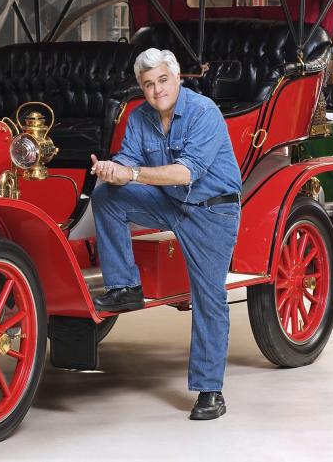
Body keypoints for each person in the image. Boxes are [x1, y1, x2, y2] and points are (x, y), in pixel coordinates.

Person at [89, 48, 242, 421]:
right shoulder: (140, 116)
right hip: (171, 202)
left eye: (162, 80)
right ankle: (126, 286)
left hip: (212, 210)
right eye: (148, 84)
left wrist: (135, 175)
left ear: (176, 79)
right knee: (106, 195)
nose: (156, 90)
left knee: (208, 296)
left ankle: (210, 390)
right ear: (141, 89)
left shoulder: (204, 112)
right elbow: (128, 158)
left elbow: (186, 173)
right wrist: (112, 168)